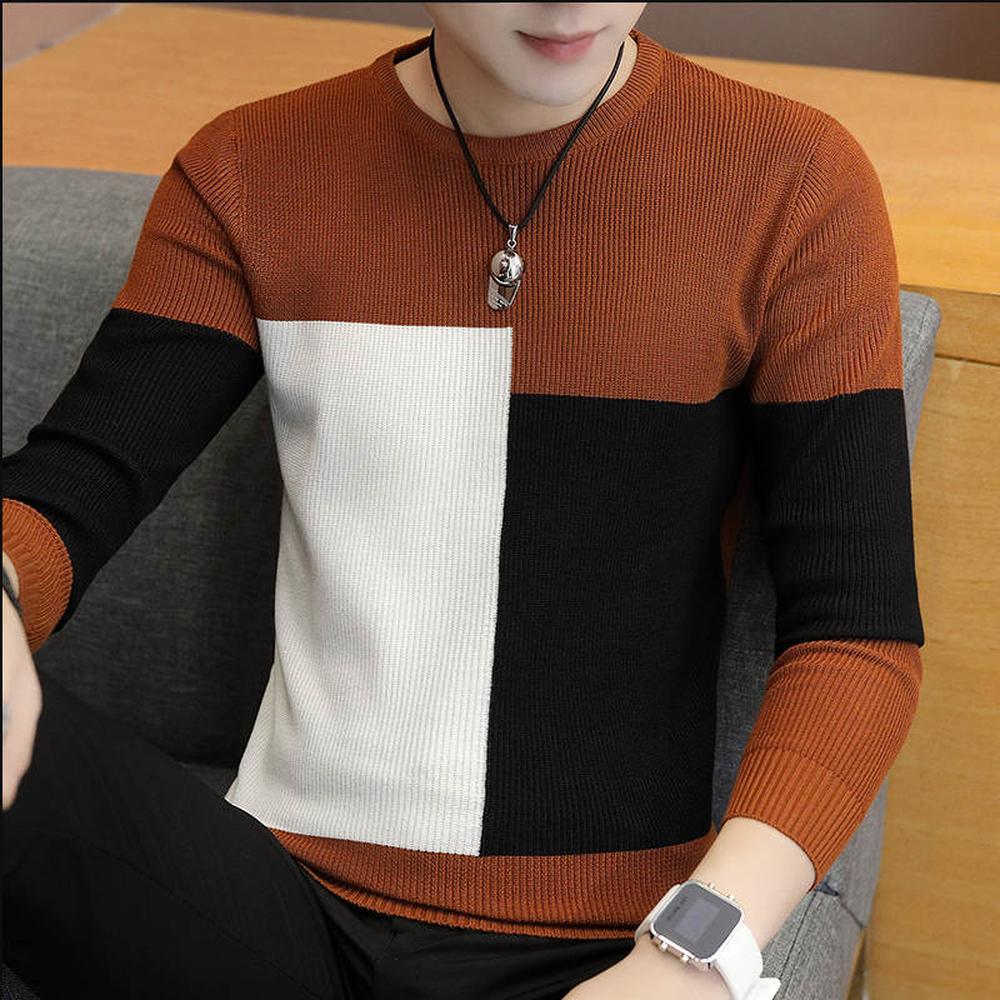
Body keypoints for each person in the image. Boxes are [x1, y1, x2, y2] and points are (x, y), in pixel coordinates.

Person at [1, 3, 925, 998]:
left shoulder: (790, 180)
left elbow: (857, 633)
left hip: (605, 943)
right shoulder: (250, 168)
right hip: (268, 898)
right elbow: (78, 482)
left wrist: (692, 954)